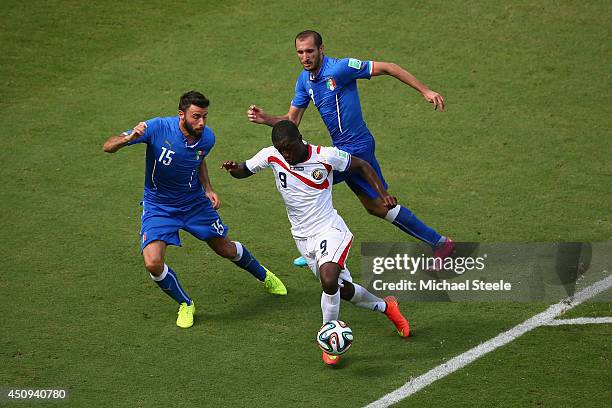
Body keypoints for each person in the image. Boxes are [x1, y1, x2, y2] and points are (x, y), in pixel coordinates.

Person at [247, 30, 454, 270]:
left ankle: (318, 242)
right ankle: (440, 243)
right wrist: (266, 119)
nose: (305, 57)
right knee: (375, 207)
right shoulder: (304, 81)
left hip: (358, 147)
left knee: (307, 179)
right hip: (342, 147)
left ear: (321, 49)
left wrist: (425, 91)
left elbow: (389, 67)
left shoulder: (340, 69)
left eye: (310, 51)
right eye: (300, 52)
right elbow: (291, 122)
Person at [222, 120, 411, 366]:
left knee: (329, 278)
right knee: (341, 290)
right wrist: (233, 168)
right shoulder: (272, 155)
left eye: (289, 148)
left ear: (300, 138)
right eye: (282, 150)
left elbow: (362, 165)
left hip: (329, 229)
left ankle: (327, 339)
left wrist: (382, 193)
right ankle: (387, 307)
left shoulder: (325, 156)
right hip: (302, 237)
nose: (286, 154)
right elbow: (244, 170)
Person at [103, 90, 287, 329]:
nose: (201, 122)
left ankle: (264, 275)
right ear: (181, 115)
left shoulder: (207, 138)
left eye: (205, 117)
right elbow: (108, 146)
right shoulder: (157, 128)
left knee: (226, 249)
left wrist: (208, 188)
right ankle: (185, 303)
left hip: (194, 204)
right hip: (159, 207)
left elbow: (198, 160)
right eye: (196, 117)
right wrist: (127, 139)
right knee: (152, 263)